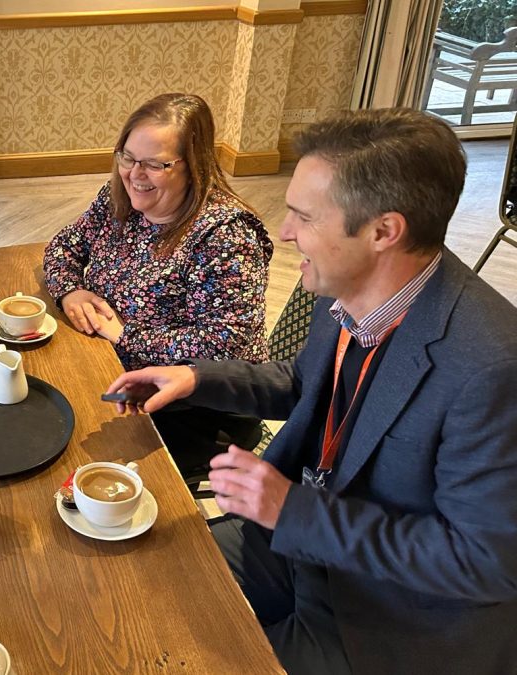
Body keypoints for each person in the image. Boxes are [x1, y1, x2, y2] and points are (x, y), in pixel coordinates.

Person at [106, 108, 517, 673]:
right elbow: (305, 386)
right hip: (300, 548)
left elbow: (483, 563)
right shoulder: (343, 284)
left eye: (303, 215)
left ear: (383, 231)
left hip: (384, 618)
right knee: (143, 585)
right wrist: (197, 377)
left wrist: (295, 512)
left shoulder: (490, 367)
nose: (285, 232)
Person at [45, 93, 273, 469]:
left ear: (193, 166)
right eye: (128, 157)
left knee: (67, 451)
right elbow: (63, 247)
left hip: (201, 408)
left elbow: (226, 347)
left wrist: (125, 336)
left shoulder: (225, 236)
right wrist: (71, 290)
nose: (135, 174)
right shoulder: (120, 199)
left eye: (154, 164)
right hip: (115, 368)